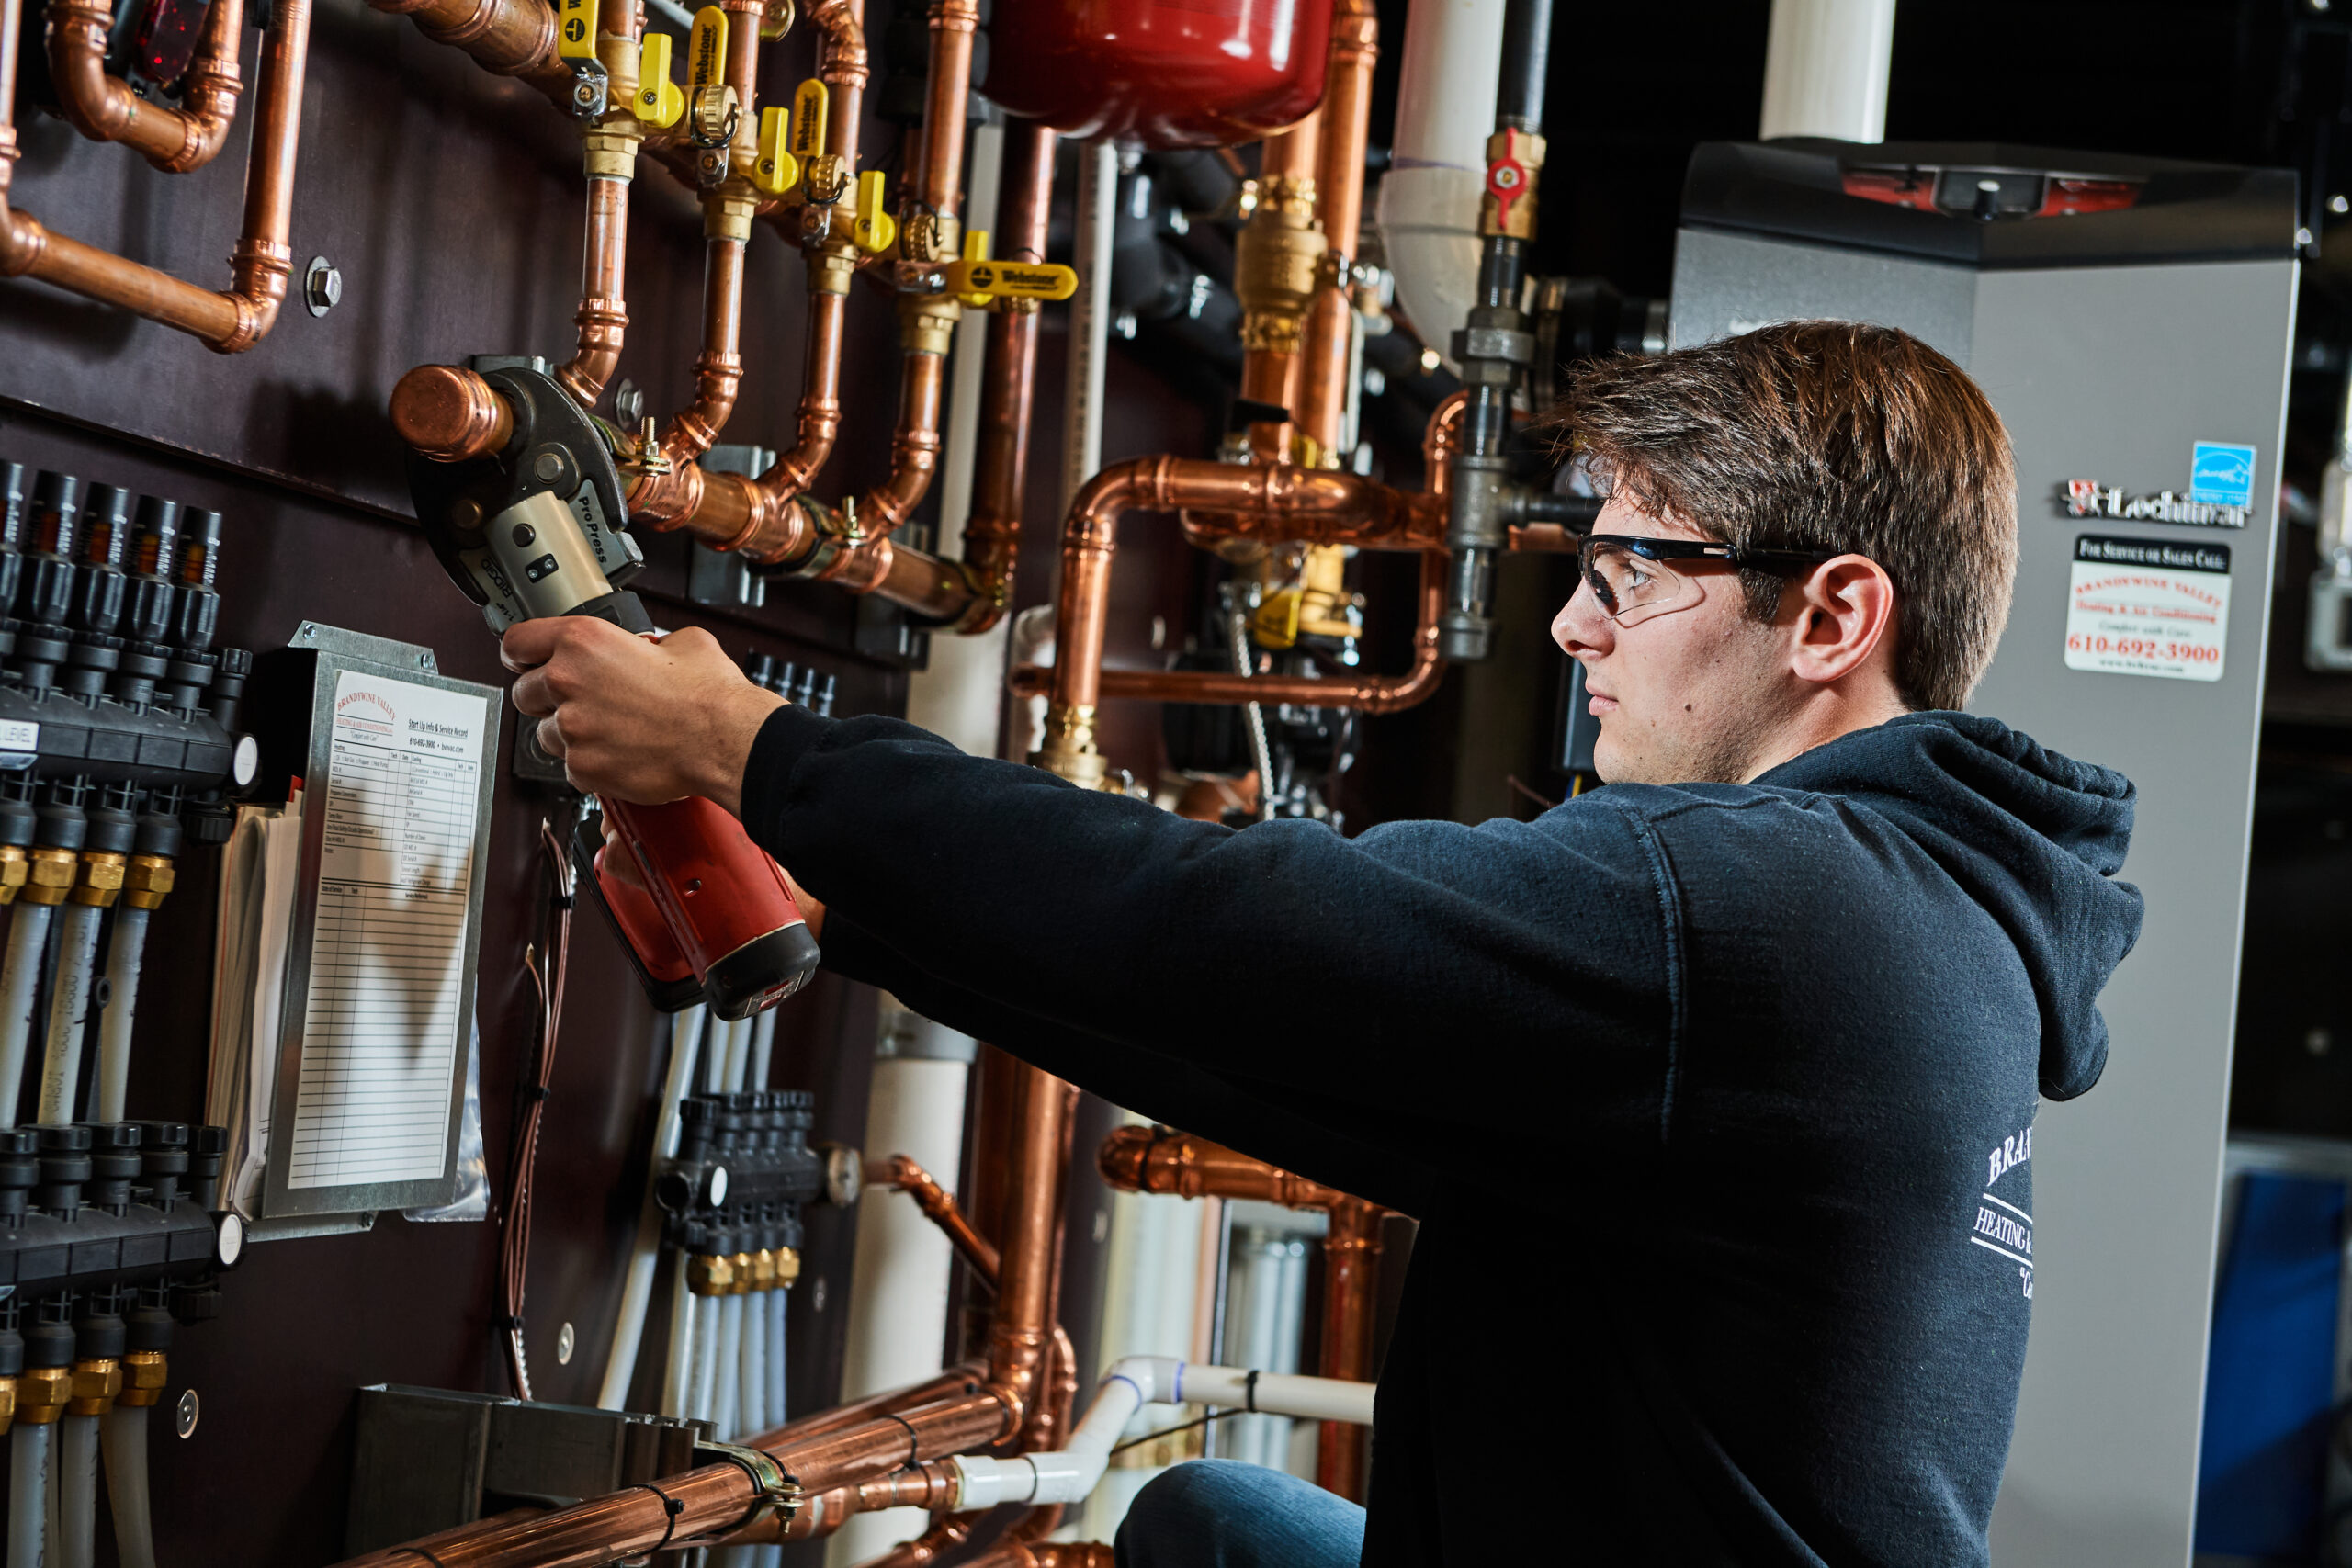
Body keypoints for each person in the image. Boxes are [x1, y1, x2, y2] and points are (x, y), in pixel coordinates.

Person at [502, 321, 2143, 1567]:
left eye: (1635, 574)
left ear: (1834, 621)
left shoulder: (1783, 912)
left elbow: (1231, 930)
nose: (1577, 625)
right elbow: (1302, 1063)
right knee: (1207, 1522)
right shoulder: (1922, 913)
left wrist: (758, 748)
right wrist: (855, 919)